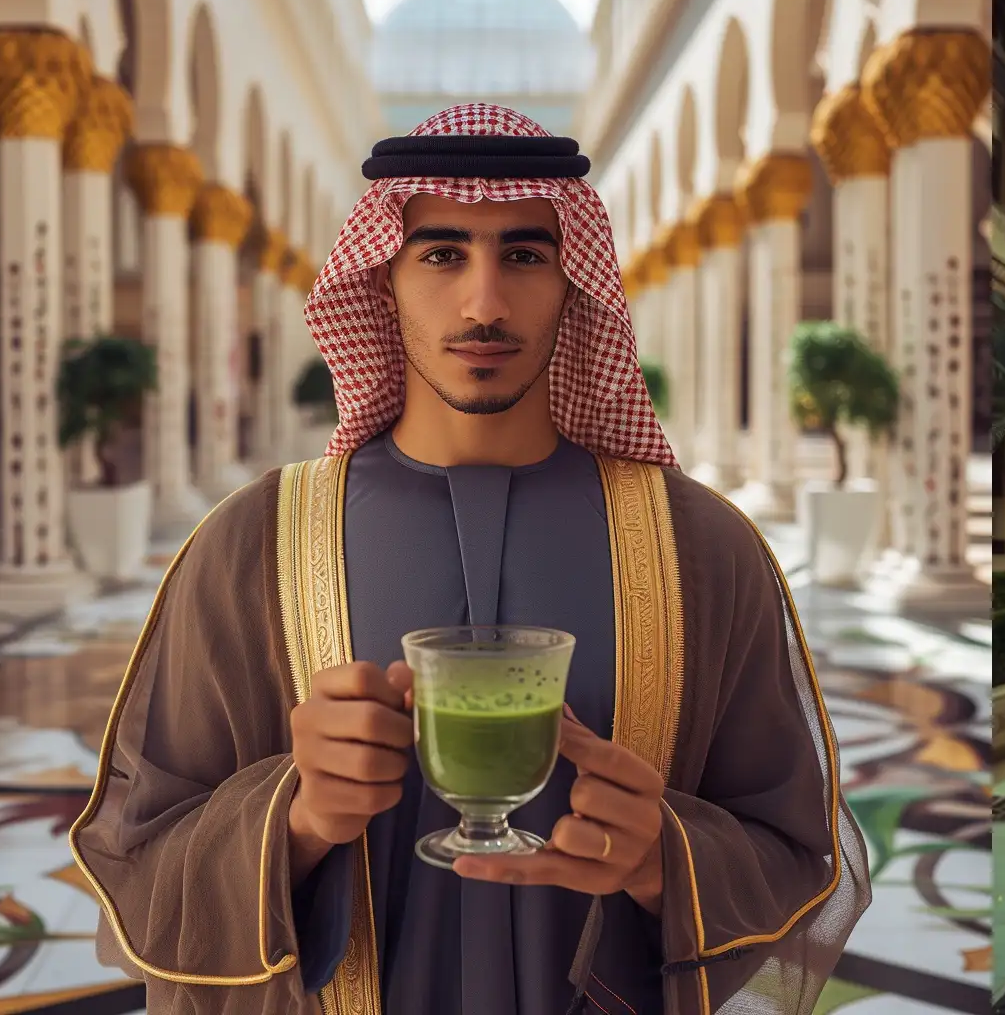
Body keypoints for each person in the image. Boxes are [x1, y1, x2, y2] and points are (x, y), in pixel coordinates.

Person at [70, 103, 869, 1015]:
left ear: (577, 282)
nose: (483, 304)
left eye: (525, 256)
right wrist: (292, 821)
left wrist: (664, 860)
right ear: (383, 281)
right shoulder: (253, 543)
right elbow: (138, 855)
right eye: (442, 254)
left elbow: (798, 850)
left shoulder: (701, 548)